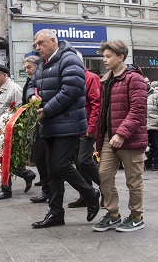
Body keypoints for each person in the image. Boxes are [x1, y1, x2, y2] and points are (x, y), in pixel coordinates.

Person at [27, 29, 100, 229]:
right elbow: (30, 85)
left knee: (60, 165)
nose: (38, 48)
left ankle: (90, 193)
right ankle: (56, 212)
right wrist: (31, 97)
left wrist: (47, 111)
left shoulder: (70, 59)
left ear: (53, 41)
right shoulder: (42, 64)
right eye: (36, 45)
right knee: (52, 172)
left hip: (68, 124)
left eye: (41, 43)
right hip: (49, 125)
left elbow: (72, 89)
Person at [93, 40, 147, 233]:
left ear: (121, 57)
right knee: (104, 175)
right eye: (104, 56)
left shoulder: (134, 79)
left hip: (130, 138)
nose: (104, 60)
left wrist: (122, 133)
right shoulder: (106, 79)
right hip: (109, 137)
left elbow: (138, 110)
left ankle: (136, 216)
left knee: (133, 179)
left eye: (108, 56)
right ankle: (113, 214)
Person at [0, 63, 36, 200]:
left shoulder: (14, 90)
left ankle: (6, 189)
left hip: (8, 133)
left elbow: (20, 112)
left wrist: (15, 133)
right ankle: (27, 175)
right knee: (2, 161)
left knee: (6, 162)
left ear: (4, 75)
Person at [67, 51, 101, 208]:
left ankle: (106, 188)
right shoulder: (70, 80)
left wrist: (92, 127)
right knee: (78, 163)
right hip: (73, 128)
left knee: (84, 160)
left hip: (86, 127)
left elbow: (96, 105)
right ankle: (86, 194)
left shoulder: (91, 78)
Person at [24, 55, 50, 204]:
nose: (27, 70)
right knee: (39, 159)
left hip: (45, 122)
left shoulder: (43, 80)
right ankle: (46, 188)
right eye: (26, 67)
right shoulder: (31, 81)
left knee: (43, 159)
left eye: (29, 67)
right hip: (35, 125)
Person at [145, 80, 158, 172]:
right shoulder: (139, 93)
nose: (146, 83)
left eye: (147, 82)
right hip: (144, 123)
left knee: (156, 144)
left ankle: (156, 163)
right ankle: (148, 162)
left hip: (154, 122)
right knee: (146, 144)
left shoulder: (156, 93)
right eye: (144, 82)